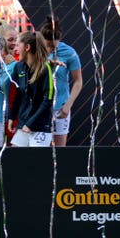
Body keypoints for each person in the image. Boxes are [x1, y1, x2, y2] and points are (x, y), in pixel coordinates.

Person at [39, 16, 82, 147]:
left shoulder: (69, 53)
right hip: (39, 109)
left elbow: (78, 81)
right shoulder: (34, 50)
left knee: (59, 152)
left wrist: (68, 104)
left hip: (60, 108)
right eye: (48, 46)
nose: (51, 50)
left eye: (54, 46)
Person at [7, 32, 54, 147]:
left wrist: (30, 123)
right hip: (23, 124)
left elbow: (48, 100)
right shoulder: (19, 67)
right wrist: (12, 117)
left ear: (27, 47)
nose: (15, 49)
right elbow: (19, 95)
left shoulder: (45, 68)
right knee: (13, 161)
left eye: (18, 45)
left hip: (40, 126)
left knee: (36, 163)